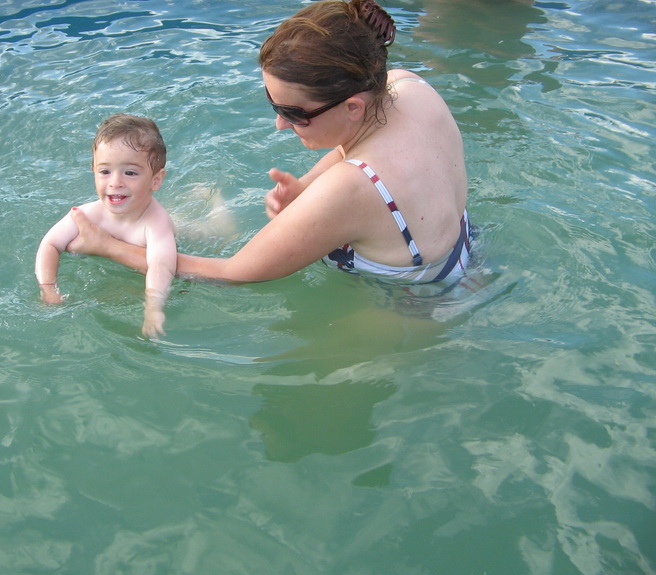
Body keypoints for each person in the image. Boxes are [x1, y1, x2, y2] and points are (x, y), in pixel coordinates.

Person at [65, 0, 470, 289]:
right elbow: (367, 147)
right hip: (463, 254)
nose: (279, 123)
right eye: (274, 105)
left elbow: (234, 272)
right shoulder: (406, 85)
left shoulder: (350, 189)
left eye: (294, 112)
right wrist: (308, 185)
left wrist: (109, 246)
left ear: (352, 106)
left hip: (411, 305)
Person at [35, 114, 176, 338]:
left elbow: (161, 265)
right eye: (105, 171)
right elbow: (49, 244)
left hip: (175, 237)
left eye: (130, 173)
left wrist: (153, 308)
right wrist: (48, 288)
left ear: (155, 180)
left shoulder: (156, 222)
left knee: (201, 232)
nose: (115, 182)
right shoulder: (88, 214)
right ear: (93, 170)